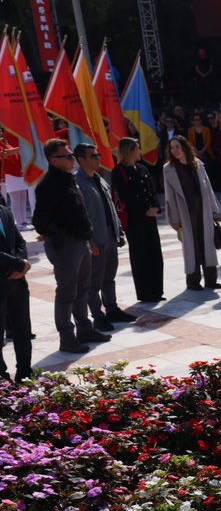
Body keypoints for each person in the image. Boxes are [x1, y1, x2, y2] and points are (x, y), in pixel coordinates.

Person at [32, 139, 109, 352]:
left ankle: (84, 328)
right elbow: (40, 221)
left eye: (70, 155)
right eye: (66, 156)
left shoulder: (69, 180)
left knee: (83, 288)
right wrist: (62, 235)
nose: (71, 159)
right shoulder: (48, 185)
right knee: (66, 293)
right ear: (52, 159)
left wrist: (87, 237)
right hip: (66, 246)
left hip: (81, 242)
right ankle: (66, 336)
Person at [73, 143, 132, 328]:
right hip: (96, 239)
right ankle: (98, 316)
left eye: (98, 154)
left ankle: (112, 308)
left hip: (110, 235)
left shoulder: (99, 178)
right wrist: (90, 241)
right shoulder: (78, 183)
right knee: (94, 281)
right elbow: (81, 216)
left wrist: (119, 230)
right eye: (93, 155)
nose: (98, 158)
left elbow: (110, 207)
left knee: (109, 276)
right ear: (81, 160)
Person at [163, 135, 221, 292]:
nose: (174, 150)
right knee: (191, 247)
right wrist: (173, 219)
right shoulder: (168, 169)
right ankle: (193, 281)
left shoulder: (198, 164)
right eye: (172, 147)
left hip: (202, 211)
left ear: (184, 147)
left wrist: (213, 208)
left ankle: (211, 280)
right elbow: (169, 197)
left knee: (207, 244)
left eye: (177, 146)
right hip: (185, 214)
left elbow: (208, 187)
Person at [111, 137, 166, 304]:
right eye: (137, 148)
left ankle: (157, 290)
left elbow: (152, 191)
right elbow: (125, 196)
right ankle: (145, 292)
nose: (140, 152)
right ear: (129, 151)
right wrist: (144, 210)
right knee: (140, 255)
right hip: (135, 218)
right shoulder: (118, 170)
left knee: (154, 252)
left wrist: (156, 207)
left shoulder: (142, 168)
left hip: (149, 217)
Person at [0, 198, 32, 381]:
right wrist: (18, 264)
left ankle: (25, 373)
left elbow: (19, 242)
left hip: (16, 282)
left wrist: (22, 266)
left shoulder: (4, 210)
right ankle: (3, 379)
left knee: (23, 330)